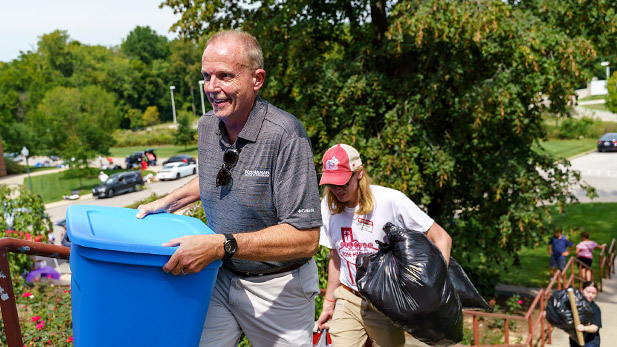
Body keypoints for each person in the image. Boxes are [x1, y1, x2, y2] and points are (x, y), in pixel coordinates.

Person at [136, 30, 322, 346]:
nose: (212, 88)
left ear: (257, 79)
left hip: (278, 287)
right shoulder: (208, 126)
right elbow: (220, 177)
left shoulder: (285, 135)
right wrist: (166, 202)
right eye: (206, 76)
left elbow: (306, 238)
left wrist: (220, 245)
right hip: (220, 277)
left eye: (224, 76)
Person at [316, 144, 452, 347]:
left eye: (343, 183)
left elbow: (442, 238)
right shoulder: (328, 206)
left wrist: (433, 288)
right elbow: (336, 258)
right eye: (332, 184)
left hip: (385, 303)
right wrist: (329, 302)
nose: (337, 190)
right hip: (348, 296)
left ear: (359, 173)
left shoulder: (390, 201)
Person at [570, 281, 601, 347]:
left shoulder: (595, 309)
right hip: (575, 340)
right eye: (588, 292)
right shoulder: (575, 305)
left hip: (591, 341)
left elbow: (595, 327)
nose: (590, 295)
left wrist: (584, 328)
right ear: (582, 290)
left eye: (593, 293)